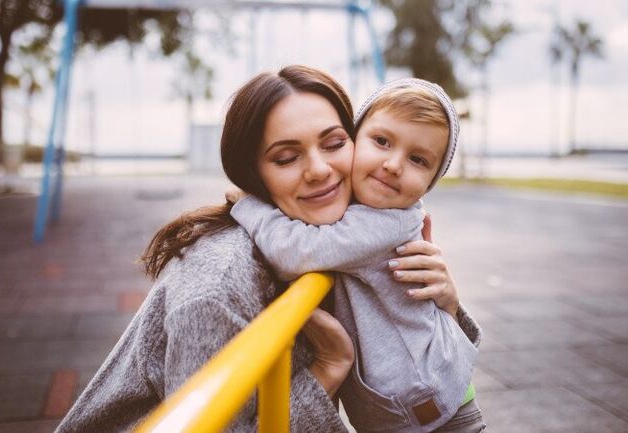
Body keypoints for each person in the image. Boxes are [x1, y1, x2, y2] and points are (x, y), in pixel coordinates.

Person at [54, 66, 478, 433]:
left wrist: (446, 300)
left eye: (333, 143)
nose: (319, 170)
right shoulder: (218, 287)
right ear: (251, 172)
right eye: (285, 157)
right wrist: (326, 370)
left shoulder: (349, 227)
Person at [228, 78, 484, 432]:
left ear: (429, 184)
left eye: (418, 159)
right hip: (434, 388)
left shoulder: (383, 223)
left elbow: (297, 251)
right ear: (356, 138)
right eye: (381, 141)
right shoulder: (368, 210)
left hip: (428, 411)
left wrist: (250, 206)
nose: (393, 164)